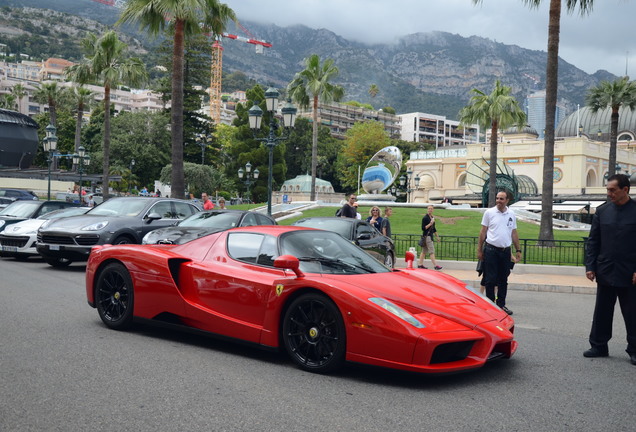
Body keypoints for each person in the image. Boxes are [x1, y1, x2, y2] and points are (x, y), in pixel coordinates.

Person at [583, 174, 636, 365]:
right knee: (602, 311)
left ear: (625, 190)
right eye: (608, 189)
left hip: (630, 273)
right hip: (605, 269)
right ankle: (599, 345)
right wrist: (590, 266)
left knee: (632, 313)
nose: (609, 193)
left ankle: (634, 349)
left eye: (613, 190)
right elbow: (593, 241)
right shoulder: (602, 211)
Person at [477, 190, 521, 315]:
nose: (498, 201)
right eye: (497, 198)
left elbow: (514, 232)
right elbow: (483, 232)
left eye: (501, 199)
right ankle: (491, 306)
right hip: (491, 250)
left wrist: (518, 250)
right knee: (490, 280)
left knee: (503, 280)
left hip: (505, 252)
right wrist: (479, 249)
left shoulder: (511, 214)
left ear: (507, 200)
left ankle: (501, 305)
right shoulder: (489, 213)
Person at [417, 205, 442, 270]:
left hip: (429, 236)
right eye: (429, 208)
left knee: (424, 251)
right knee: (431, 251)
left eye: (431, 209)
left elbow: (434, 229)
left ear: (433, 210)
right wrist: (430, 224)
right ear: (427, 209)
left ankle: (420, 264)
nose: (430, 210)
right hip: (427, 237)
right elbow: (423, 228)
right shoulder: (425, 218)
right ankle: (435, 265)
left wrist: (437, 236)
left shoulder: (432, 218)